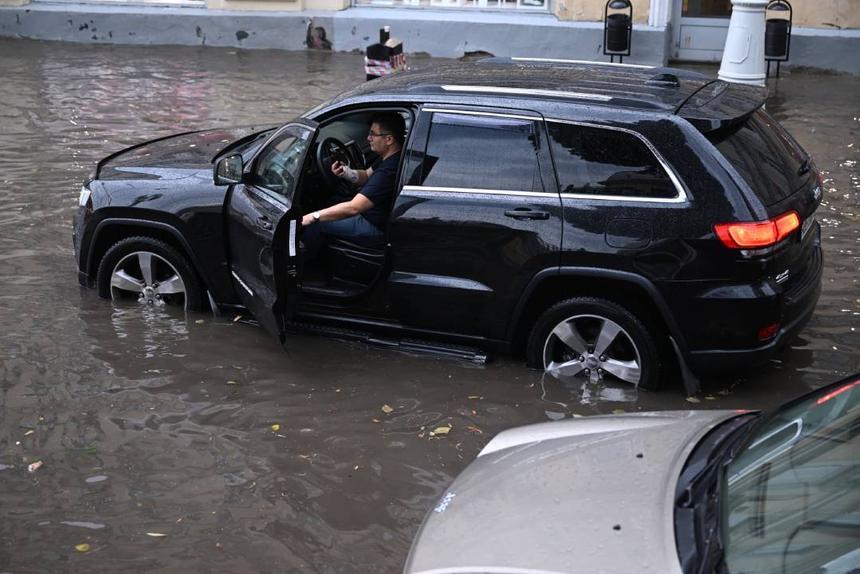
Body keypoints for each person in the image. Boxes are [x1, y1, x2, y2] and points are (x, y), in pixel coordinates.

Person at [300, 112, 405, 261]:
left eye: (373, 134)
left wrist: (313, 216)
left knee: (316, 225)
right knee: (331, 200)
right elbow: (367, 176)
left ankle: (306, 271)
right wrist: (346, 173)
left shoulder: (389, 171)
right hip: (373, 213)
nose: (369, 138)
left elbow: (354, 207)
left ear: (388, 139)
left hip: (374, 225)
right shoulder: (391, 157)